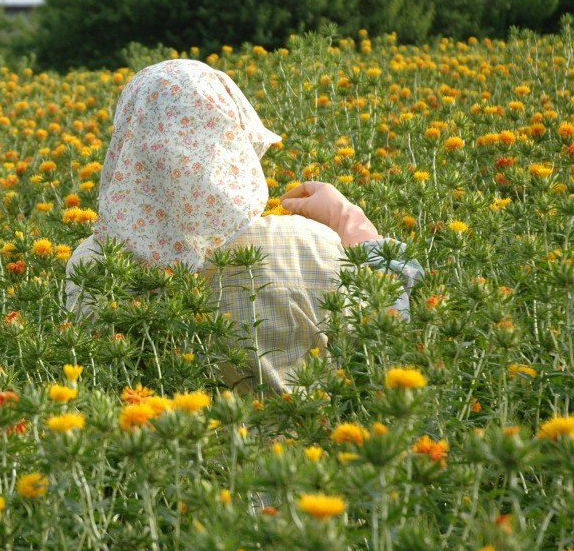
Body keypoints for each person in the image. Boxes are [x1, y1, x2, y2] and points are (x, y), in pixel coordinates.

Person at [65, 59, 421, 394]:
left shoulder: (92, 265)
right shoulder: (307, 244)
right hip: (303, 438)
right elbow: (389, 334)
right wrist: (357, 230)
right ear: (230, 140)